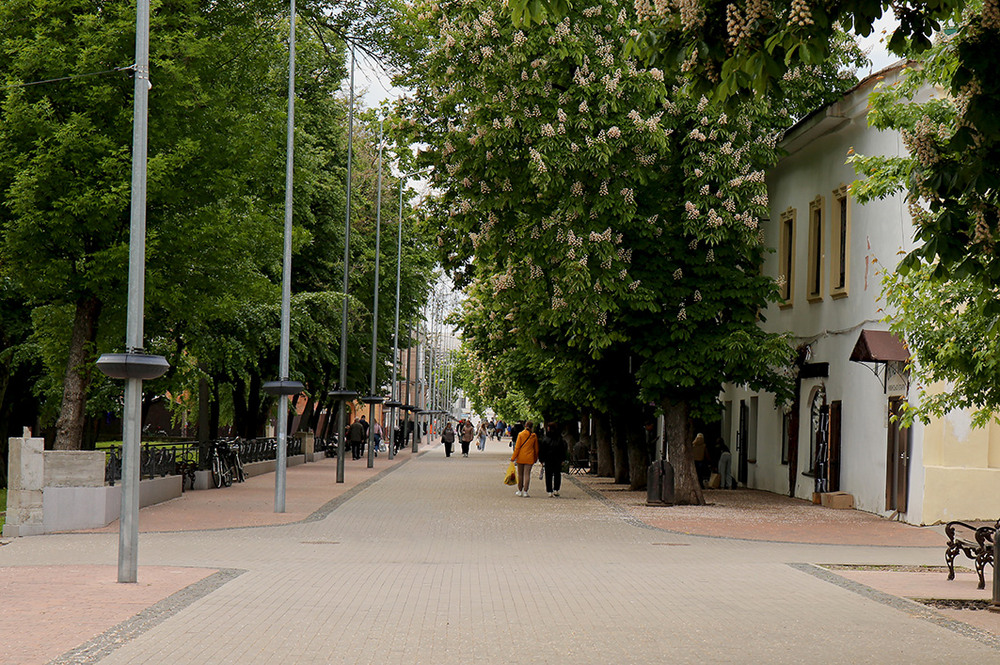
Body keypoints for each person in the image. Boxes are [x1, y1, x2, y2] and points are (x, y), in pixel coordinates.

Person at [538, 422, 567, 497]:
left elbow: (542, 450)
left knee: (548, 475)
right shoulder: (559, 438)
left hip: (548, 459)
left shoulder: (546, 439)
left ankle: (549, 490)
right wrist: (563, 459)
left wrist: (541, 459)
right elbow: (562, 450)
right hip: (557, 459)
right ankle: (556, 489)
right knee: (557, 474)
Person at [510, 421, 539, 497]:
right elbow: (536, 449)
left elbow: (517, 448)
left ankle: (520, 490)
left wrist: (513, 457)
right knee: (527, 474)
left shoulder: (521, 434)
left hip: (521, 457)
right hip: (530, 457)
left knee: (520, 474)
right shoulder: (534, 436)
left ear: (525, 426)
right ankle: (526, 491)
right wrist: (535, 458)